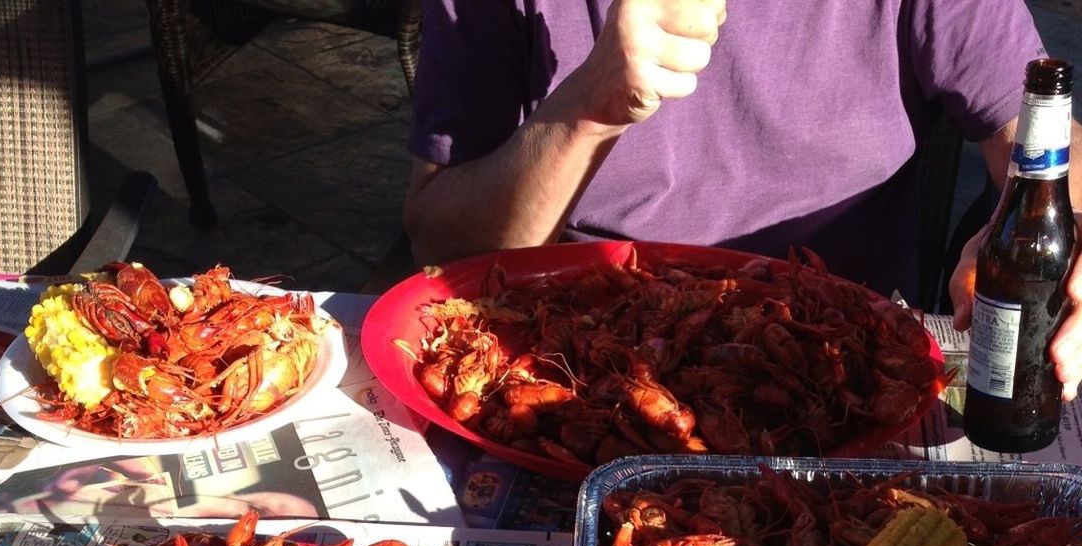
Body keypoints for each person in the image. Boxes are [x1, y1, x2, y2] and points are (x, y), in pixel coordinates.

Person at [403, 1, 1082, 400]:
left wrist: (1070, 224)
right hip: (580, 360)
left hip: (845, 370)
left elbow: (1043, 138)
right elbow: (438, 237)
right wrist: (589, 106)